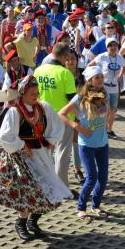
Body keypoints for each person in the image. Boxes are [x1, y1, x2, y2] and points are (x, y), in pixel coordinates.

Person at [0, 76, 71, 240]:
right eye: (32, 93)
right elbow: (5, 136)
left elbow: (56, 125)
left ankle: (34, 221)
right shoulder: (15, 111)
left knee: (49, 190)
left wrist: (50, 140)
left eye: (37, 92)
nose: (36, 96)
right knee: (29, 192)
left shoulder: (43, 108)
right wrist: (21, 145)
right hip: (20, 158)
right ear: (22, 94)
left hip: (41, 155)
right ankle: (21, 223)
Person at [59, 66, 110, 221]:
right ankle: (81, 208)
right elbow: (61, 113)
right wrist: (77, 126)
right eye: (97, 77)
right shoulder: (80, 97)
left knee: (103, 178)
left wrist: (108, 125)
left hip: (103, 143)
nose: (101, 80)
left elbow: (108, 112)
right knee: (91, 178)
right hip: (87, 145)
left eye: (101, 77)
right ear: (89, 80)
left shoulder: (104, 94)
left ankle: (95, 206)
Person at [33, 42, 78, 187]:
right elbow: (72, 100)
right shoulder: (65, 73)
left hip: (43, 117)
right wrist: (80, 118)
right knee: (62, 153)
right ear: (65, 56)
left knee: (45, 152)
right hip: (63, 119)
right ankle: (62, 187)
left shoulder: (38, 70)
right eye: (67, 57)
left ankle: (44, 183)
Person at [90, 37, 125, 138]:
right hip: (103, 88)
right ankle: (101, 129)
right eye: (110, 45)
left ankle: (109, 130)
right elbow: (90, 65)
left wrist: (120, 75)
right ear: (107, 47)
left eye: (115, 45)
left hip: (114, 88)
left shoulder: (120, 58)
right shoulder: (102, 56)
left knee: (113, 110)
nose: (113, 47)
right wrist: (95, 78)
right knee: (103, 110)